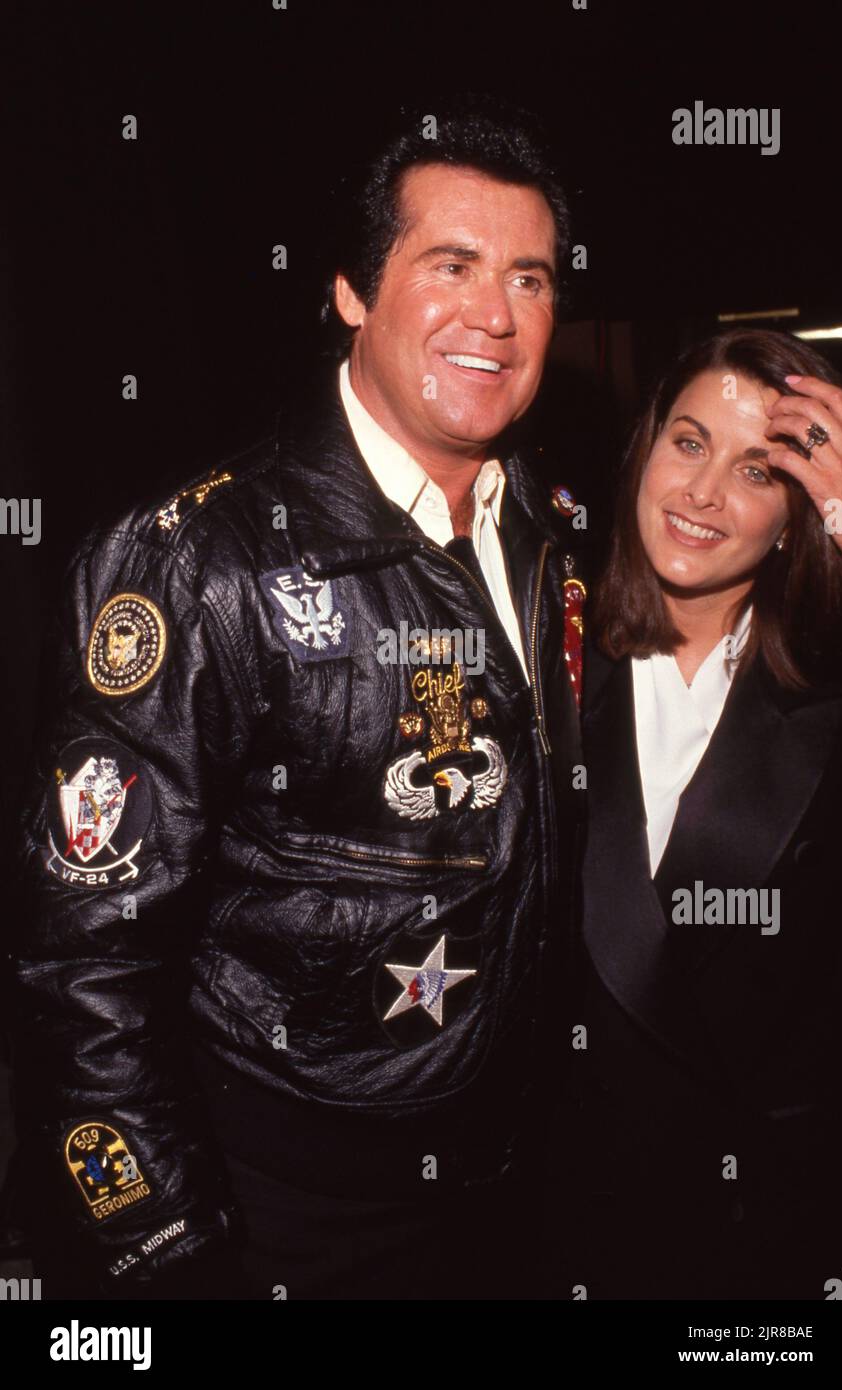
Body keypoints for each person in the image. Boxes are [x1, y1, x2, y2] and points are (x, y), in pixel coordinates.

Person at [10, 100, 586, 1300]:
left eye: (528, 279)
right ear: (350, 292)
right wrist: (163, 1248)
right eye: (451, 266)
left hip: (509, 1181)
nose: (494, 314)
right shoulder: (197, 559)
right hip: (290, 1204)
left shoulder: (549, 532)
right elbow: (83, 961)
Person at [554, 328, 842, 1300]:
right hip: (569, 1220)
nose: (700, 495)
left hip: (767, 1226)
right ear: (643, 448)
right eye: (686, 443)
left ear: (793, 517)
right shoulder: (538, 647)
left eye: (754, 471)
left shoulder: (832, 692)